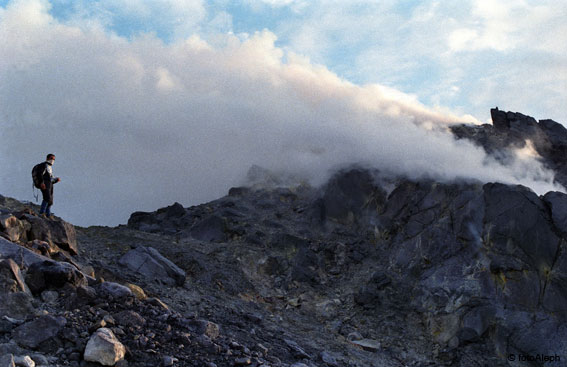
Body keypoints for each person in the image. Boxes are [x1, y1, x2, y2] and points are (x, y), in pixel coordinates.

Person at [38, 154, 61, 218]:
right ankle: (42, 212)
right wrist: (42, 183)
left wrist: (56, 180)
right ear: (47, 158)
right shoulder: (43, 165)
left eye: (54, 159)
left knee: (50, 200)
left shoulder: (49, 167)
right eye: (51, 158)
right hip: (45, 183)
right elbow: (40, 174)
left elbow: (50, 178)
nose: (52, 160)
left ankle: (48, 214)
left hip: (49, 184)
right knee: (47, 197)